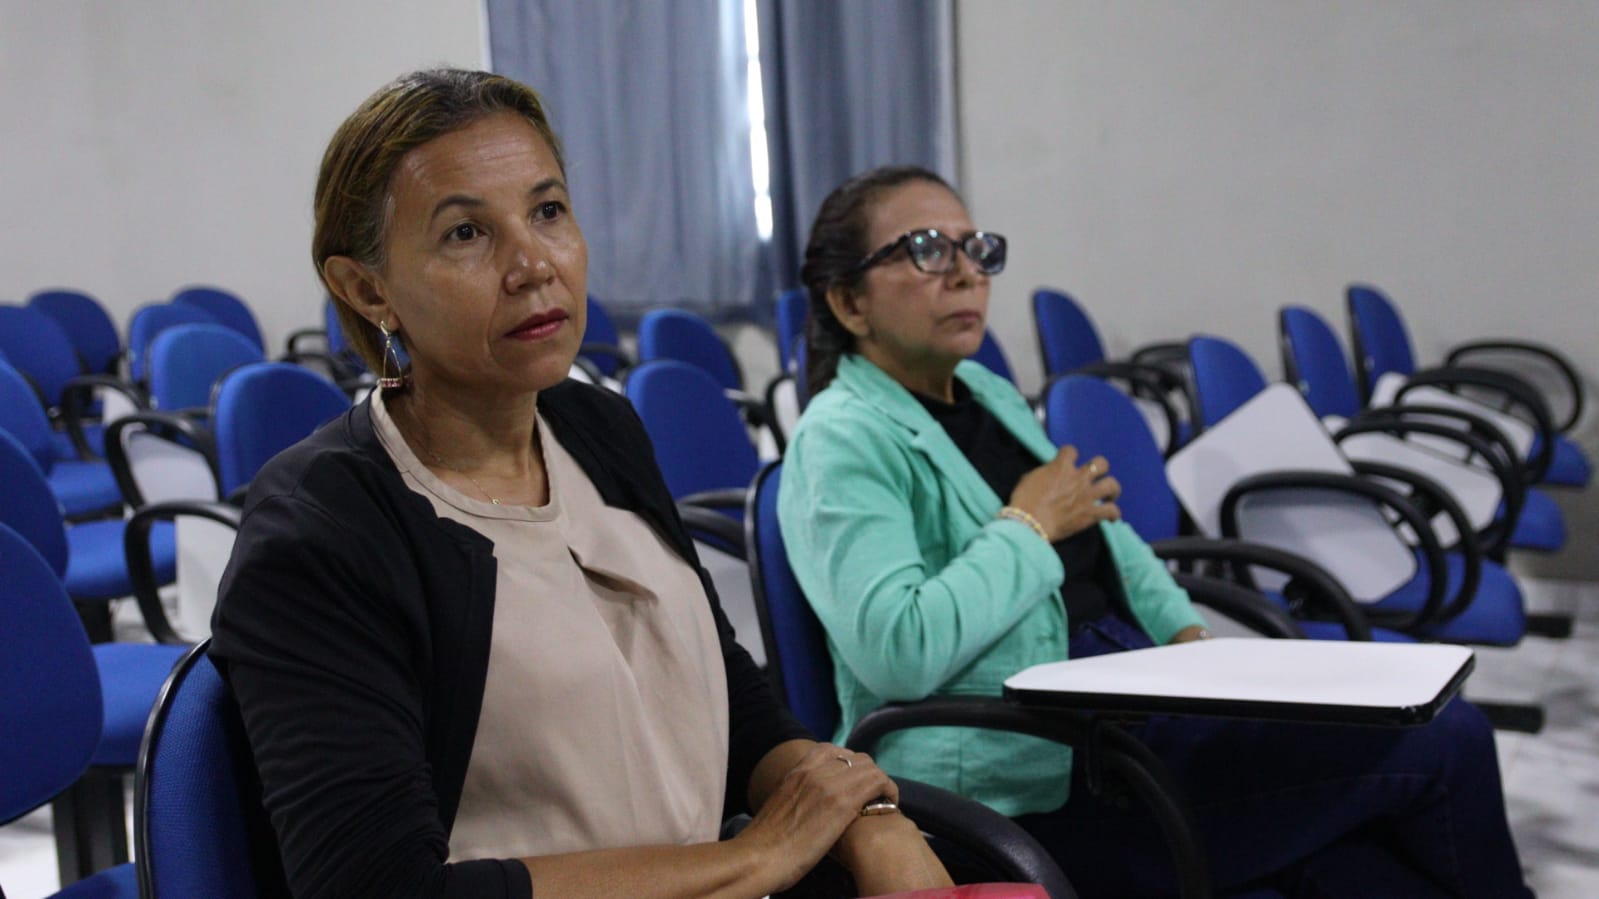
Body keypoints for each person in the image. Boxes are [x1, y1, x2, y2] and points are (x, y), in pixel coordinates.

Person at [208, 70, 952, 899]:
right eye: (465, 233)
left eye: (548, 211)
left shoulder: (597, 426)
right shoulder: (324, 526)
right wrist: (757, 856)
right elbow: (379, 890)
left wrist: (867, 817)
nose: (533, 264)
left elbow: (733, 708)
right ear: (367, 288)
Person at [777, 164, 1534, 898]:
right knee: (1446, 742)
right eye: (926, 250)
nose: (967, 272)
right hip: (1031, 772)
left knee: (1371, 862)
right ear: (848, 301)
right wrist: (1028, 525)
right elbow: (897, 649)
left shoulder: (983, 389)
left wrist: (1192, 645)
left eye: (976, 249)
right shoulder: (843, 437)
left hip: (1125, 705)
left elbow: (1108, 536)